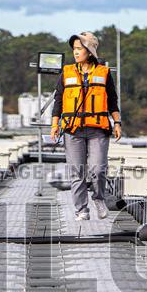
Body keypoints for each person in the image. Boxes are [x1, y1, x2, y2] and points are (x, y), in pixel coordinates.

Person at [50, 31, 122, 221]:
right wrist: (54, 125)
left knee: (98, 169)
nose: (76, 52)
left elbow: (112, 100)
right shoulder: (66, 72)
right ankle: (81, 210)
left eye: (80, 49)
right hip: (73, 129)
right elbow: (58, 100)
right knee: (77, 172)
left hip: (98, 129)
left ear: (90, 52)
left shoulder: (104, 73)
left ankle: (98, 199)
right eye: (74, 49)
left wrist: (117, 122)